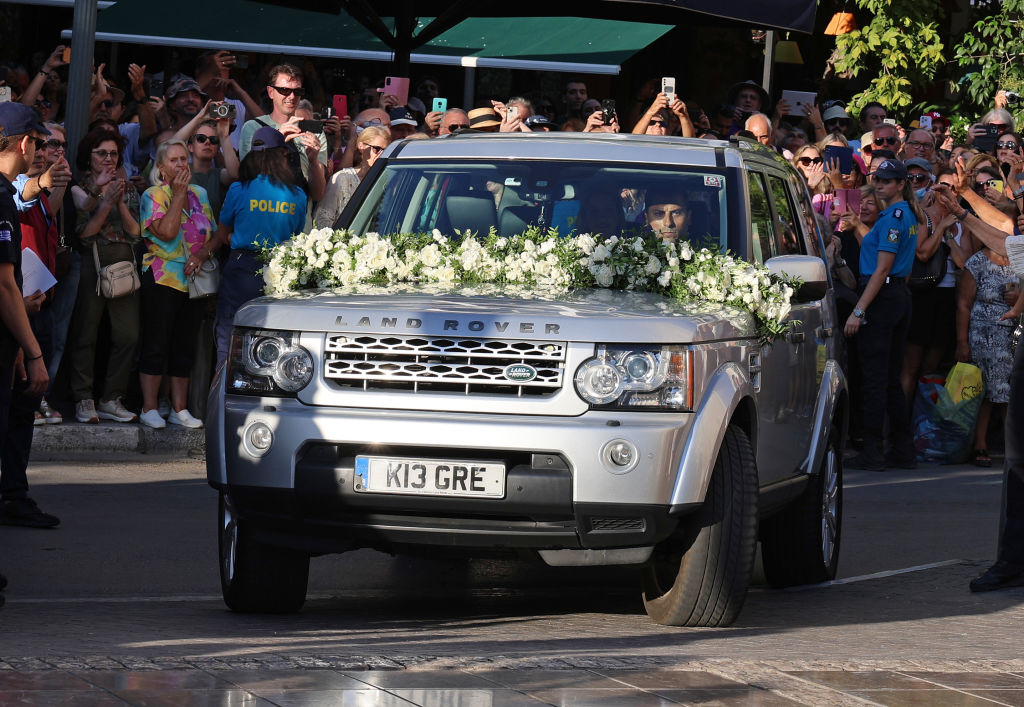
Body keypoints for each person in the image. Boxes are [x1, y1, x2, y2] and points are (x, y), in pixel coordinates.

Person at [203, 127, 307, 367]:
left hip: (241, 268)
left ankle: (222, 397)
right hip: (281, 273)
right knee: (272, 342)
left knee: (229, 338)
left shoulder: (239, 189)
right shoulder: (298, 195)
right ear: (281, 155)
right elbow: (295, 234)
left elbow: (223, 231)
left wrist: (234, 239)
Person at [0, 102, 57, 528]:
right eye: (38, 141)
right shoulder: (4, 193)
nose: (39, 149)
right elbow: (3, 283)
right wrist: (32, 350)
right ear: (23, 142)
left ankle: (13, 495)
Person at [844, 159, 921, 471]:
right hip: (897, 295)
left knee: (876, 380)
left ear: (901, 184)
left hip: (883, 296)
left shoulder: (893, 217)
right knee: (889, 379)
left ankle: (873, 451)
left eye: (888, 181)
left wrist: (858, 311)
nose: (880, 185)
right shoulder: (903, 215)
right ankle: (903, 450)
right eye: (878, 179)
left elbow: (883, 268)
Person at [137, 140, 216, 429]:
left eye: (184, 159)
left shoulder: (202, 193)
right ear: (161, 167)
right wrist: (179, 194)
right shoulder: (153, 194)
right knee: (157, 342)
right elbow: (168, 233)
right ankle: (149, 407)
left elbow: (211, 233)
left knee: (185, 344)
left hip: (194, 278)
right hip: (162, 277)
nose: (181, 164)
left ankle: (179, 409)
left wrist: (201, 254)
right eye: (174, 160)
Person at [68, 129, 141, 425]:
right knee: (86, 333)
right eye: (102, 153)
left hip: (124, 261)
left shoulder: (129, 188)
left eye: (113, 154)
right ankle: (83, 397)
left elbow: (135, 232)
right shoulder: (81, 186)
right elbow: (85, 234)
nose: (108, 159)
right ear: (89, 157)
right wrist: (105, 201)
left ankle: (112, 397)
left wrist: (119, 200)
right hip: (92, 261)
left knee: (128, 335)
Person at [956, 244, 1017, 467]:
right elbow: (963, 304)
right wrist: (962, 342)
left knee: (1010, 392)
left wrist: (1019, 300)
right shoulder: (977, 262)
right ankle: (979, 445)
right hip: (983, 335)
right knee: (985, 391)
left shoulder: (1019, 257)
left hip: (1014, 334)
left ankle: (1013, 446)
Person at [313, 126, 390, 228]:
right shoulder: (341, 178)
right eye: (376, 149)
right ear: (361, 146)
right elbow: (321, 220)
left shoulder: (388, 181)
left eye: (386, 151)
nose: (381, 155)